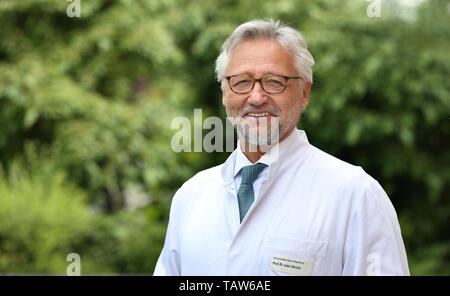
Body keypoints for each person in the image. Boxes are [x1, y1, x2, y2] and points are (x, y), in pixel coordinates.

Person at [153, 19, 409, 276]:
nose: (256, 97)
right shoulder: (191, 197)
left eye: (275, 81)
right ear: (224, 93)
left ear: (305, 92)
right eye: (241, 82)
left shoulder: (355, 194)